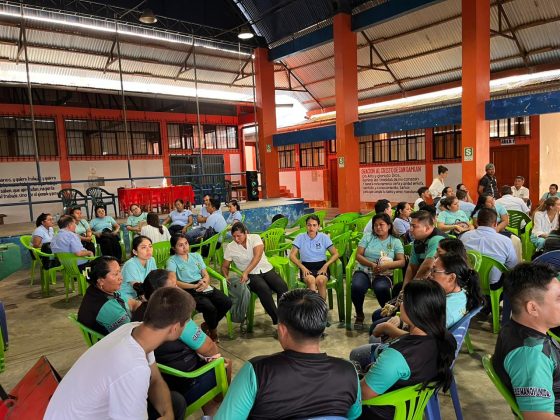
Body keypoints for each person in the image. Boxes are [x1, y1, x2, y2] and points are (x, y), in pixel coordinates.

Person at [215, 289, 362, 420]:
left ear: (282, 330)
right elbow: (353, 415)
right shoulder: (348, 371)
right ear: (322, 327)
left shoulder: (256, 371)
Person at [45, 287, 188, 420]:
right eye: (186, 322)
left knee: (175, 403)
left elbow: (156, 379)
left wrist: (168, 415)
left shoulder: (134, 330)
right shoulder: (134, 368)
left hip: (70, 410)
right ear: (175, 328)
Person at [131, 269, 227, 416]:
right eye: (174, 286)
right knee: (224, 363)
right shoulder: (174, 316)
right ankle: (217, 405)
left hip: (160, 377)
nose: (178, 289)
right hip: (184, 380)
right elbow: (208, 348)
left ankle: (209, 411)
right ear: (163, 295)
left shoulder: (138, 314)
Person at [360, 280, 456, 419]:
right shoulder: (447, 340)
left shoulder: (396, 357)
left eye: (404, 301)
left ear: (415, 309)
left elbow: (363, 393)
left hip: (381, 413)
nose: (400, 304)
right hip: (410, 408)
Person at [492, 263, 560, 418]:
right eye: (559, 298)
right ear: (533, 308)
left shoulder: (514, 326)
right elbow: (539, 418)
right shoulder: (530, 357)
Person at [222, 222, 288, 330]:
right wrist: (226, 276)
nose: (236, 239)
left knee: (282, 287)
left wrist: (246, 272)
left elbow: (257, 257)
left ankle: (284, 317)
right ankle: (278, 320)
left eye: (239, 236)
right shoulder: (230, 247)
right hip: (251, 275)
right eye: (234, 236)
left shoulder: (255, 238)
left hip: (265, 268)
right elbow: (225, 266)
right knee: (264, 289)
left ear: (246, 233)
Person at [167, 234, 232, 342]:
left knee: (227, 302)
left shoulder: (196, 256)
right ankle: (213, 333)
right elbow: (174, 282)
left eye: (186, 244)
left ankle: (208, 325)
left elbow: (205, 274)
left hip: (202, 284)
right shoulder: (172, 261)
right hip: (187, 289)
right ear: (174, 248)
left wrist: (206, 282)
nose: (185, 247)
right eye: (180, 245)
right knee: (210, 308)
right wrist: (193, 286)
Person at [461, 208, 518, 320]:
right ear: (495, 223)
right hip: (492, 284)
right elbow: (513, 266)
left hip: (468, 281)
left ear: (477, 222)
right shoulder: (505, 241)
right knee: (511, 278)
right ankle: (491, 307)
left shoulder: (465, 237)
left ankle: (484, 307)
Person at [351, 213, 405, 329]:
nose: (378, 227)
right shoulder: (368, 237)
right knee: (357, 286)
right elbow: (358, 256)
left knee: (381, 288)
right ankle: (359, 315)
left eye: (381, 224)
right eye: (375, 225)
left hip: (384, 273)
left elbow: (401, 261)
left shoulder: (395, 241)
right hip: (364, 270)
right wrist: (371, 264)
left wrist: (386, 266)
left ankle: (386, 314)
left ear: (389, 226)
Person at [77, 256, 140, 335]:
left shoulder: (96, 289)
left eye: (120, 272)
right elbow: (132, 335)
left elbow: (132, 303)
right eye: (115, 274)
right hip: (115, 343)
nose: (121, 277)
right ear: (100, 281)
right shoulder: (108, 306)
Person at [290, 214, 339, 301]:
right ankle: (313, 310)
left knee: (320, 281)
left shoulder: (324, 237)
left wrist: (326, 265)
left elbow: (335, 254)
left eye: (314, 225)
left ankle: (322, 308)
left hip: (321, 266)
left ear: (318, 226)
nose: (311, 228)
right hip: (306, 266)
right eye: (309, 225)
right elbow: (292, 255)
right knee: (311, 280)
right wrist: (302, 267)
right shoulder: (300, 237)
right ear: (306, 226)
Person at [403, 210, 447, 284]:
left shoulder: (437, 239)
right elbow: (411, 267)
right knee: (398, 288)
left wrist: (411, 288)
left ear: (427, 228)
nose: (410, 230)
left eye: (414, 226)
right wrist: (404, 289)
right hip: (428, 279)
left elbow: (428, 267)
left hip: (444, 281)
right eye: (410, 225)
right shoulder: (417, 240)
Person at [121, 235, 158, 301]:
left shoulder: (151, 260)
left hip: (144, 293)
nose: (148, 250)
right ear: (135, 252)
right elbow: (138, 288)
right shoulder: (130, 264)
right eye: (143, 247)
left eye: (150, 246)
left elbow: (154, 278)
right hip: (128, 295)